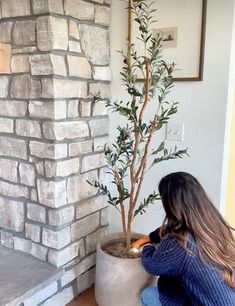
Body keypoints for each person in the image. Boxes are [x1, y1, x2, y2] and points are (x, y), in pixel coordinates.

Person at [132, 172, 235, 306]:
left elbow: (152, 265)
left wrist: (146, 247)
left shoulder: (181, 244)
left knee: (148, 296)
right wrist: (150, 237)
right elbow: (170, 228)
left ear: (171, 205)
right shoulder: (213, 224)